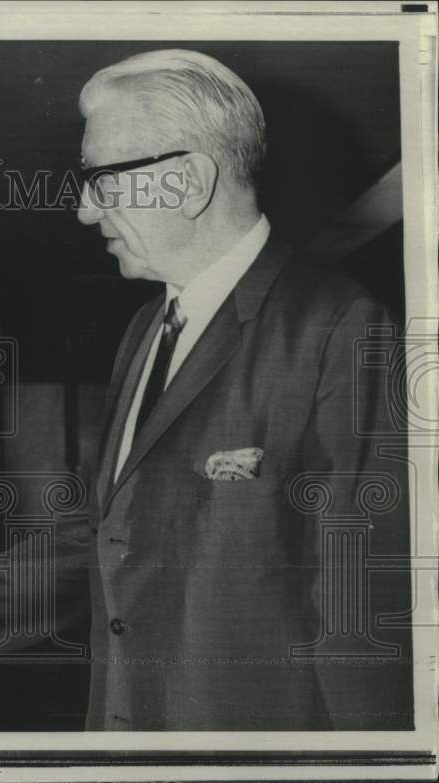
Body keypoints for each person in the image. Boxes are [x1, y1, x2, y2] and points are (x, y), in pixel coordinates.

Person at [75, 49, 412, 730]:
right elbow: (115, 534)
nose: (85, 210)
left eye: (103, 181)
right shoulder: (143, 329)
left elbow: (361, 618)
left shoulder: (339, 326)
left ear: (190, 182)